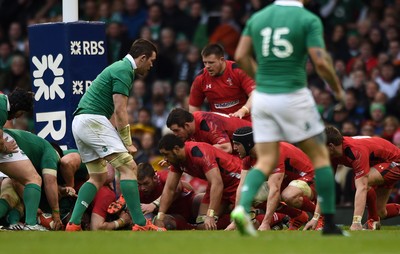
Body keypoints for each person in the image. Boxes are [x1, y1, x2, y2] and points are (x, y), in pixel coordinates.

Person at [231, 0, 346, 236]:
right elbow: (321, 62)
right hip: (293, 94)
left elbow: (240, 55)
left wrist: (261, 78)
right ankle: (331, 225)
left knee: (265, 161)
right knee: (320, 157)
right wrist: (337, 89)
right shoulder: (308, 19)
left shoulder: (258, 17)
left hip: (263, 97)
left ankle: (241, 209)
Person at [66, 39, 165, 232]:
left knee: (97, 176)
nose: (151, 65)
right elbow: (120, 110)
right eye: (151, 61)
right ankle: (141, 223)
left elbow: (112, 111)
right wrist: (127, 142)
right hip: (92, 120)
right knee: (129, 167)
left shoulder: (118, 68)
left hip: (80, 121)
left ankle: (73, 223)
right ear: (142, 58)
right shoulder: (124, 70)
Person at [226, 127, 316, 231]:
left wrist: (265, 223)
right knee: (252, 195)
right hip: (287, 181)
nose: (234, 148)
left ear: (248, 144)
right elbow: (242, 187)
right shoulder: (247, 158)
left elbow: (275, 189)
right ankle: (297, 215)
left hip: (311, 177)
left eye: (237, 144)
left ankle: (321, 216)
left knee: (288, 195)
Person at [155, 134, 241, 230]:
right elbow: (170, 188)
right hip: (218, 185)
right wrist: (160, 216)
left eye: (166, 154)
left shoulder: (199, 153)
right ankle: (229, 213)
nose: (165, 159)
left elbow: (217, 183)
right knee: (202, 224)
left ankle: (237, 212)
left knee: (241, 221)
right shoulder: (176, 161)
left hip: (236, 180)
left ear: (176, 149)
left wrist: (211, 214)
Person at [323, 126, 400, 230]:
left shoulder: (355, 150)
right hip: (379, 166)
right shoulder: (334, 154)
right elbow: (326, 186)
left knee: (363, 182)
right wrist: (316, 218)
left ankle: (372, 220)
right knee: (381, 212)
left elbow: (363, 186)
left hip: (394, 161)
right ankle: (375, 218)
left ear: (331, 146)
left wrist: (356, 222)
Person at [0, 88, 45, 231]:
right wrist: (5, 147)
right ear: (18, 108)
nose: (18, 117)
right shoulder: (1, 106)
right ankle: (31, 224)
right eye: (21, 113)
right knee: (33, 178)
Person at [4, 129, 63, 230]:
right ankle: (31, 224)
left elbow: (17, 181)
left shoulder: (33, 151)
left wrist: (34, 208)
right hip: (7, 142)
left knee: (13, 196)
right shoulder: (51, 153)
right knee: (34, 179)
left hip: (7, 140)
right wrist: (56, 213)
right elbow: (50, 181)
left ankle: (18, 223)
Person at [188, 43, 255, 121]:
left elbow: (254, 94)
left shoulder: (238, 71)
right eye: (205, 62)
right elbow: (194, 106)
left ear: (222, 60)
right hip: (218, 125)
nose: (207, 66)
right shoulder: (200, 78)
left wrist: (243, 110)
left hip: (244, 120)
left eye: (211, 62)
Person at [137, 162, 203, 230]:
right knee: (162, 221)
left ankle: (210, 223)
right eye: (139, 184)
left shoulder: (163, 175)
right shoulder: (135, 190)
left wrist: (155, 204)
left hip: (189, 206)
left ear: (155, 178)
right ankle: (193, 227)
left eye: (146, 183)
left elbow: (177, 187)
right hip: (173, 216)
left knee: (201, 198)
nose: (142, 188)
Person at [166, 108, 251, 154]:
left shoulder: (208, 123)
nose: (175, 134)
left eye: (177, 130)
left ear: (186, 125)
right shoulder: (192, 125)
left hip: (254, 140)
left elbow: (226, 148)